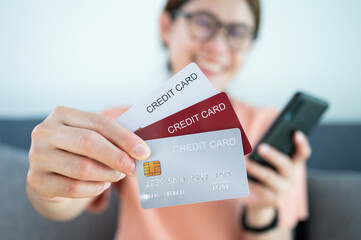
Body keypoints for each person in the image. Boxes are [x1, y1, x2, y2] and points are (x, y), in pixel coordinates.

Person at [26, 0, 311, 239]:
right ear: (167, 26)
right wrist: (46, 185)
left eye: (237, 33)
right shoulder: (118, 123)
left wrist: (262, 210)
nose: (218, 46)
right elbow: (62, 205)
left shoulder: (271, 129)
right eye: (203, 23)